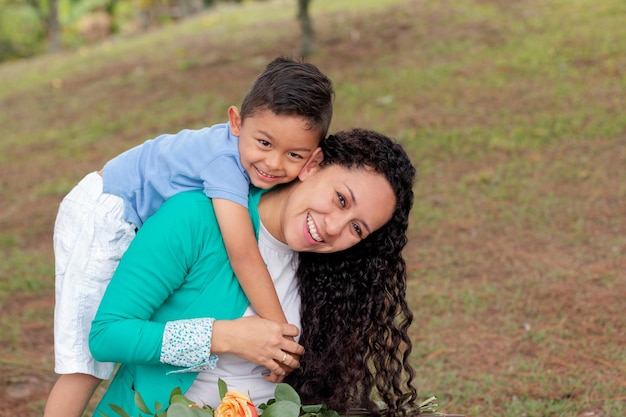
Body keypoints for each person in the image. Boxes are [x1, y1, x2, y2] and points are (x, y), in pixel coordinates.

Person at [44, 56, 334, 417]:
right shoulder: (224, 167)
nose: (274, 164)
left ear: (313, 159)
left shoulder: (253, 166)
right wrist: (281, 335)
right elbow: (242, 252)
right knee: (83, 361)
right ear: (235, 122)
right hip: (107, 208)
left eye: (293, 154)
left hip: (129, 210)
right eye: (264, 143)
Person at [87, 129, 419, 416]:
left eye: (357, 228)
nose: (333, 227)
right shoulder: (195, 219)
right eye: (341, 199)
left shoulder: (326, 277)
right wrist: (226, 337)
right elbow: (108, 335)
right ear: (314, 165)